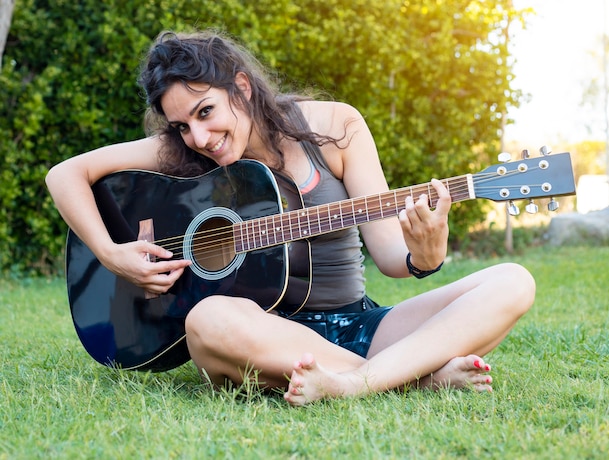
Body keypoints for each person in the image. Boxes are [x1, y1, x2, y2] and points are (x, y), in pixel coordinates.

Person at [46, 30, 535, 406]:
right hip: (261, 335)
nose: (198, 136)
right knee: (207, 319)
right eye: (181, 125)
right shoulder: (182, 151)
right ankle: (415, 377)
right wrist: (113, 255)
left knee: (512, 281)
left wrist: (425, 255)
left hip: (361, 326)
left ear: (241, 86)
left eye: (206, 111)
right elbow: (66, 175)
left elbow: (391, 256)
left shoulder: (335, 127)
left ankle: (353, 383)